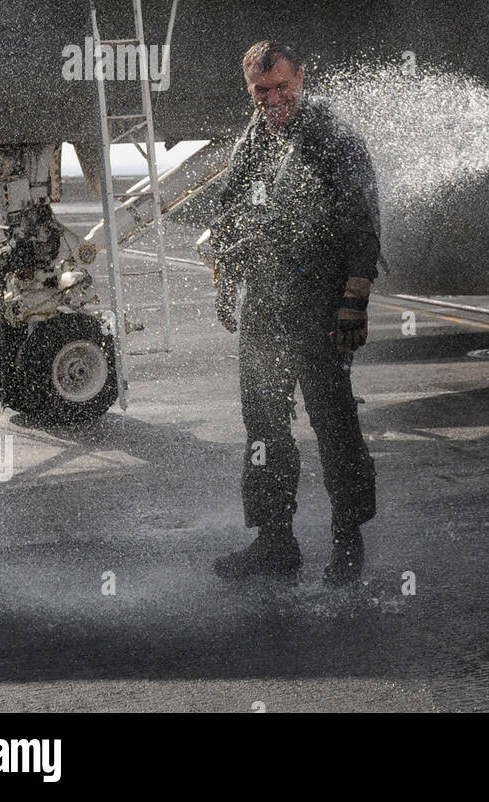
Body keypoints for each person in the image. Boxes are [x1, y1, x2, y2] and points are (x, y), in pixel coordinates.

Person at [210, 40, 381, 586]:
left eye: (283, 86)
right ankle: (274, 542)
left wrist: (354, 305)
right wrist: (227, 283)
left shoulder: (333, 137)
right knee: (261, 423)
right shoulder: (254, 139)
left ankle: (347, 542)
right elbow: (231, 215)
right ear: (250, 90)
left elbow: (363, 226)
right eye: (263, 91)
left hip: (321, 304)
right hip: (266, 302)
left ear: (301, 78)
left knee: (333, 422)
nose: (274, 98)